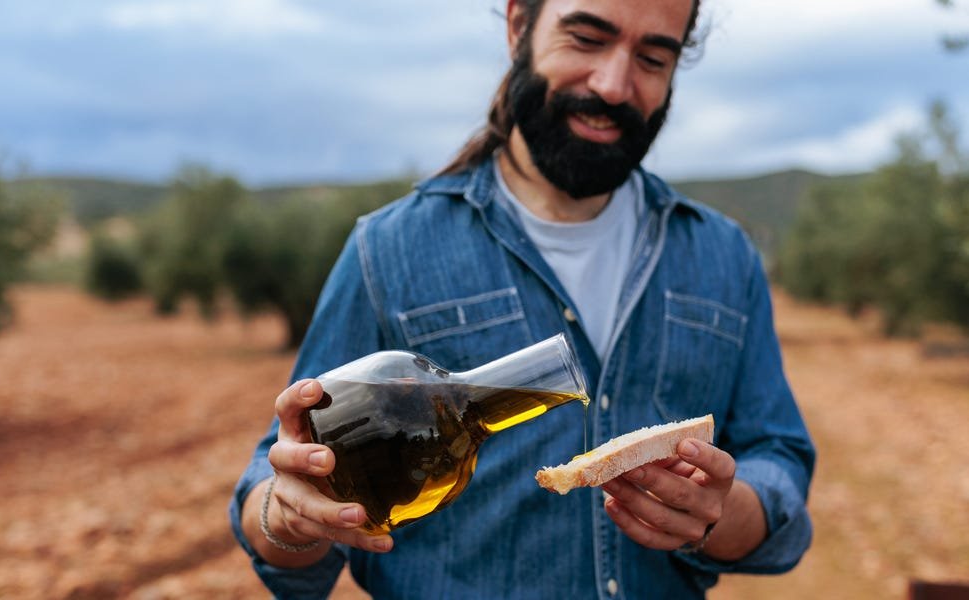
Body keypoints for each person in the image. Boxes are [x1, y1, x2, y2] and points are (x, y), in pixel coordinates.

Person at [230, 0, 816, 597]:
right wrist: (289, 512)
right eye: (587, 38)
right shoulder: (387, 248)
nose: (614, 86)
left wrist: (716, 516)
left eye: (652, 58)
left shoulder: (723, 255)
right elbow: (279, 496)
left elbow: (779, 463)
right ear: (519, 26)